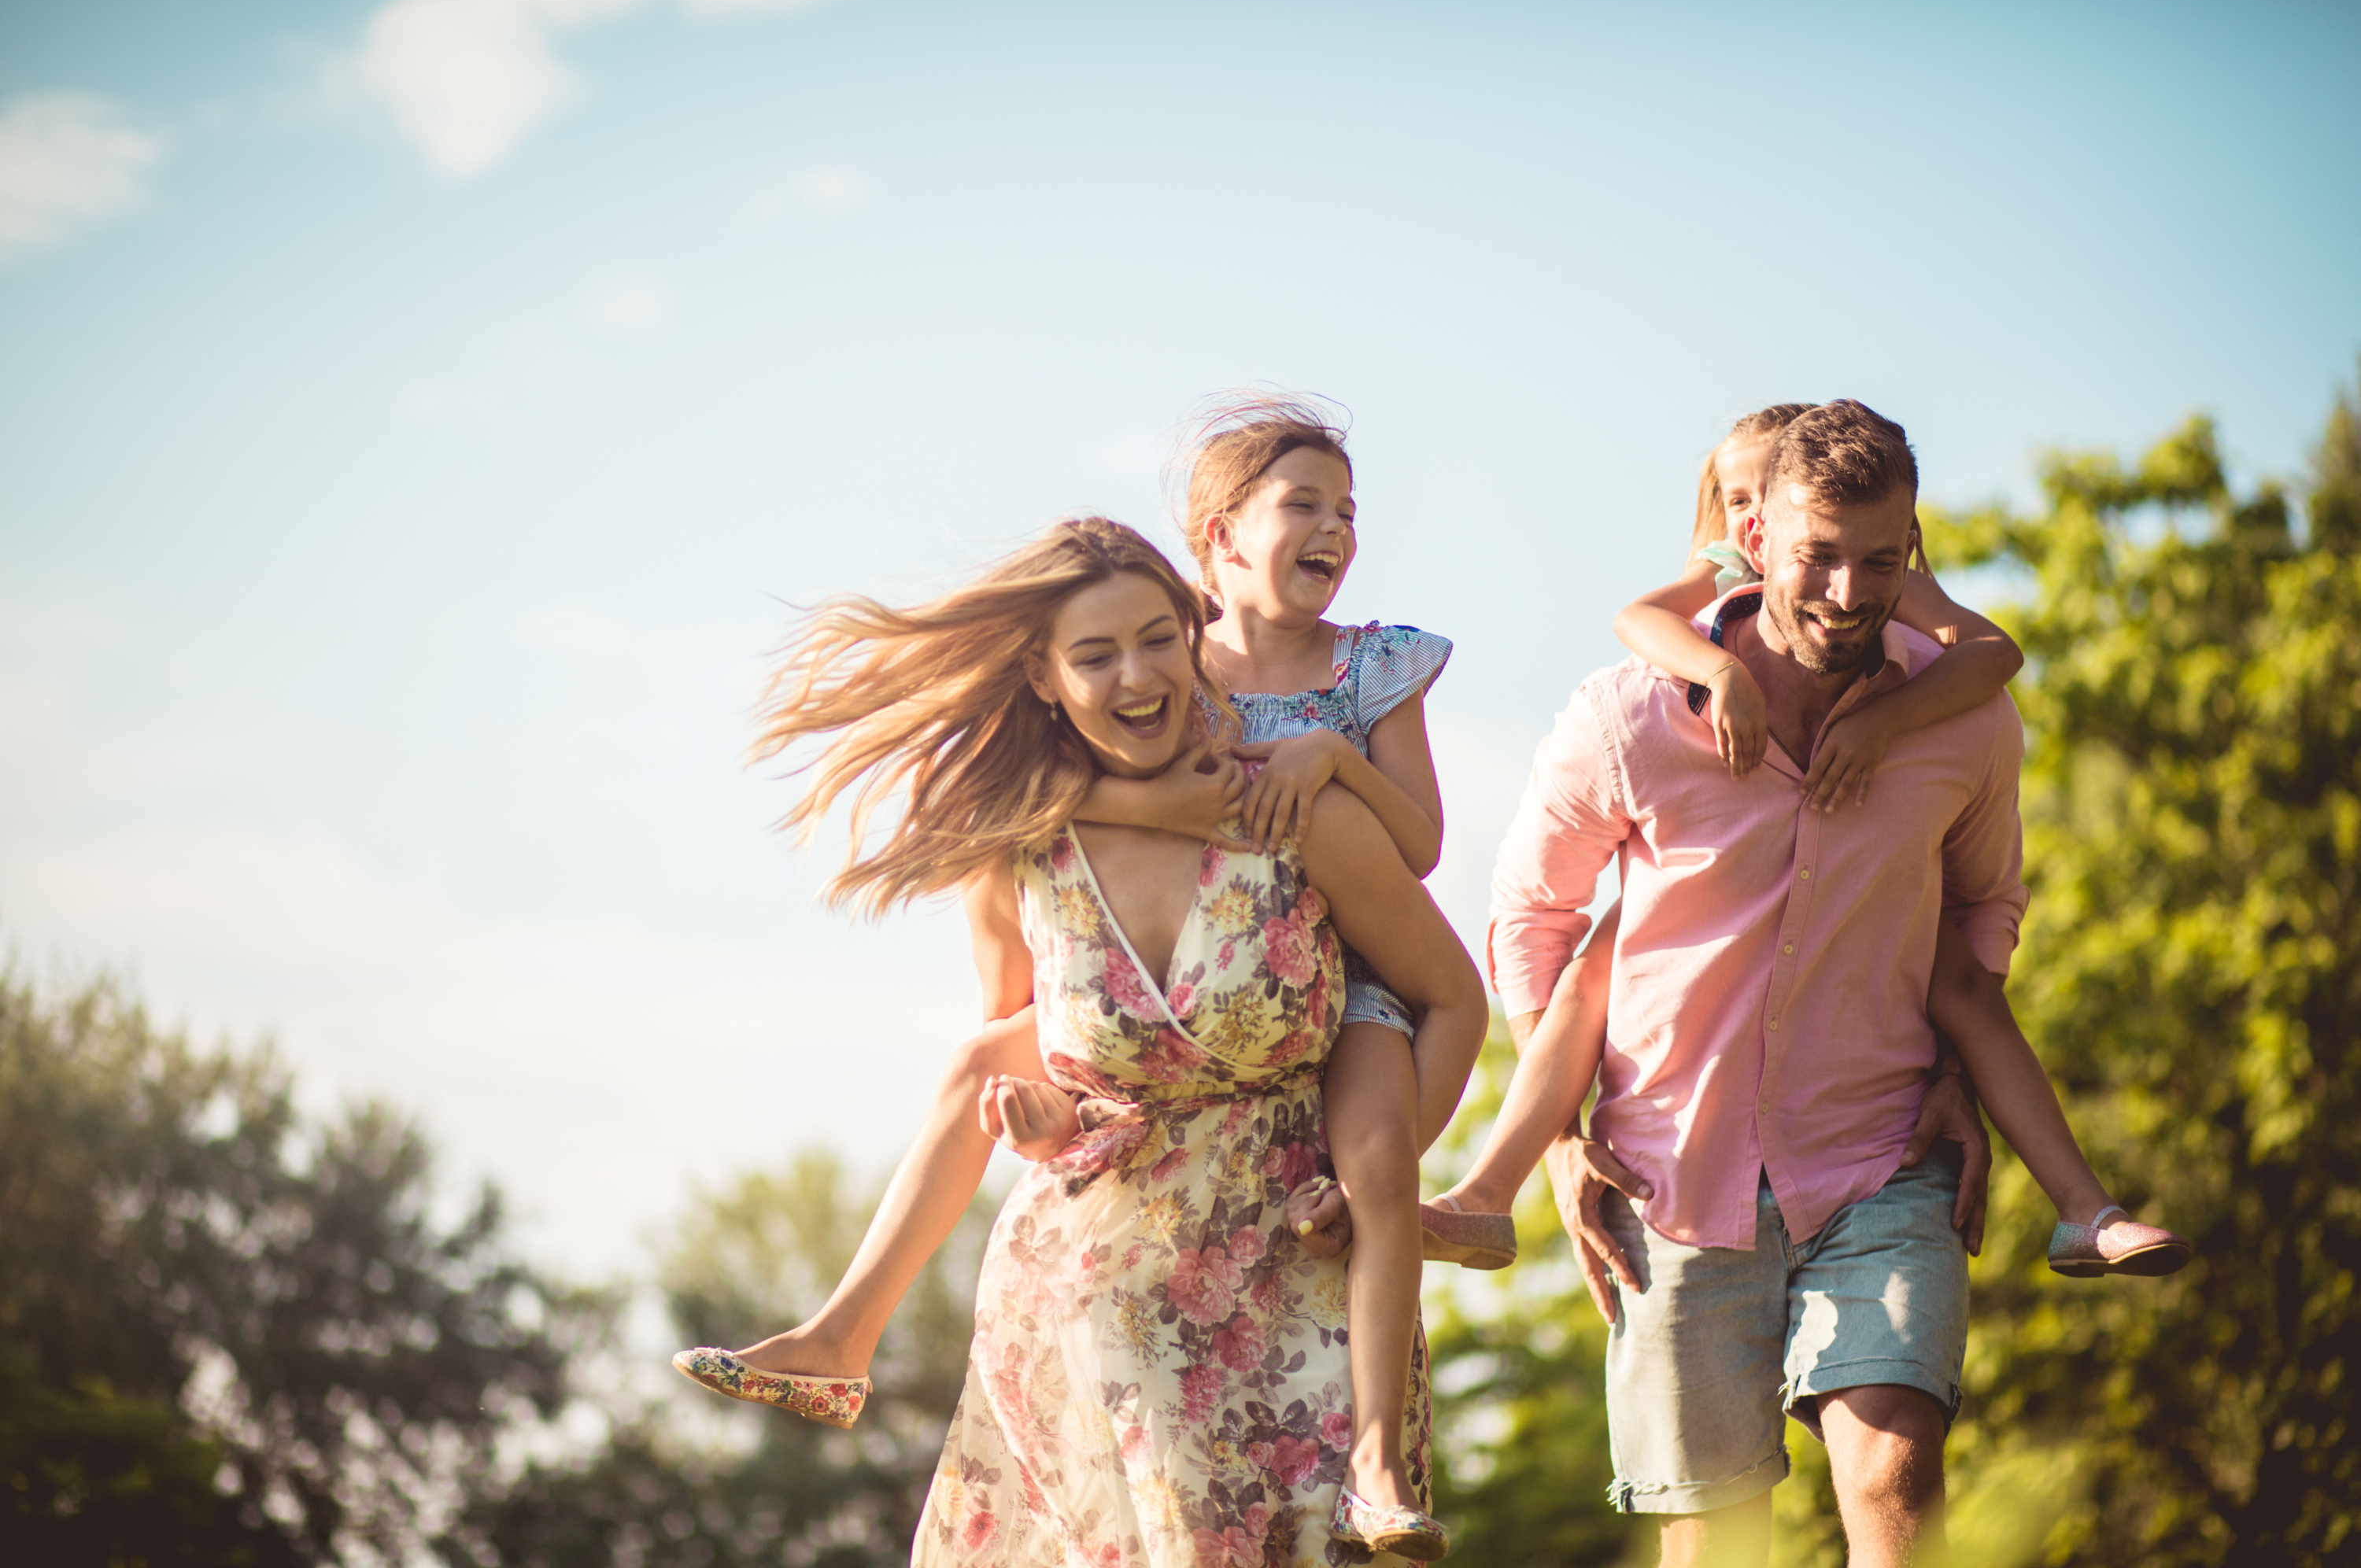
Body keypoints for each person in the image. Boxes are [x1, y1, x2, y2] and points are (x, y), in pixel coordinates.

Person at [678, 397, 1495, 1538]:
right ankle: (842, 1332)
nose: (1137, 673)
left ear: (1190, 637)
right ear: (1046, 676)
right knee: (975, 1059)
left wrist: (1403, 1162)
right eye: (1096, 655)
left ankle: (1386, 1420)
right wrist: (1041, 1115)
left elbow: (1434, 914)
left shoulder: (1289, 790)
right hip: (1094, 1302)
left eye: (1156, 641)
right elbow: (1040, 1051)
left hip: (1294, 1229)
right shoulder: (1022, 839)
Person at [1477, 401, 2042, 1564]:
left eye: (1877, 562)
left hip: (1880, 1157)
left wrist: (1953, 1072)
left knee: (1893, 1472)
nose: (1846, 592)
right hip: (1671, 1173)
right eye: (1817, 559)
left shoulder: (1965, 721)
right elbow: (1532, 914)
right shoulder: (1627, 715)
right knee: (1716, 1541)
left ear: (1911, 547)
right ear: (1757, 534)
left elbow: (1987, 902)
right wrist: (1552, 1137)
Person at [1441, 403, 2189, 1282]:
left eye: (1770, 485)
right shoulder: (1685, 639)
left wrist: (1889, 721)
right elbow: (1636, 619)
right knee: (1605, 961)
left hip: (1877, 973)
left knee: (1966, 989)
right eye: (1739, 498)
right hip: (1681, 1152)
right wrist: (1718, 671)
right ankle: (1488, 1188)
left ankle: (2084, 1207)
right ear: (1750, 527)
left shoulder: (1871, 578)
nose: (1841, 583)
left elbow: (1992, 652)